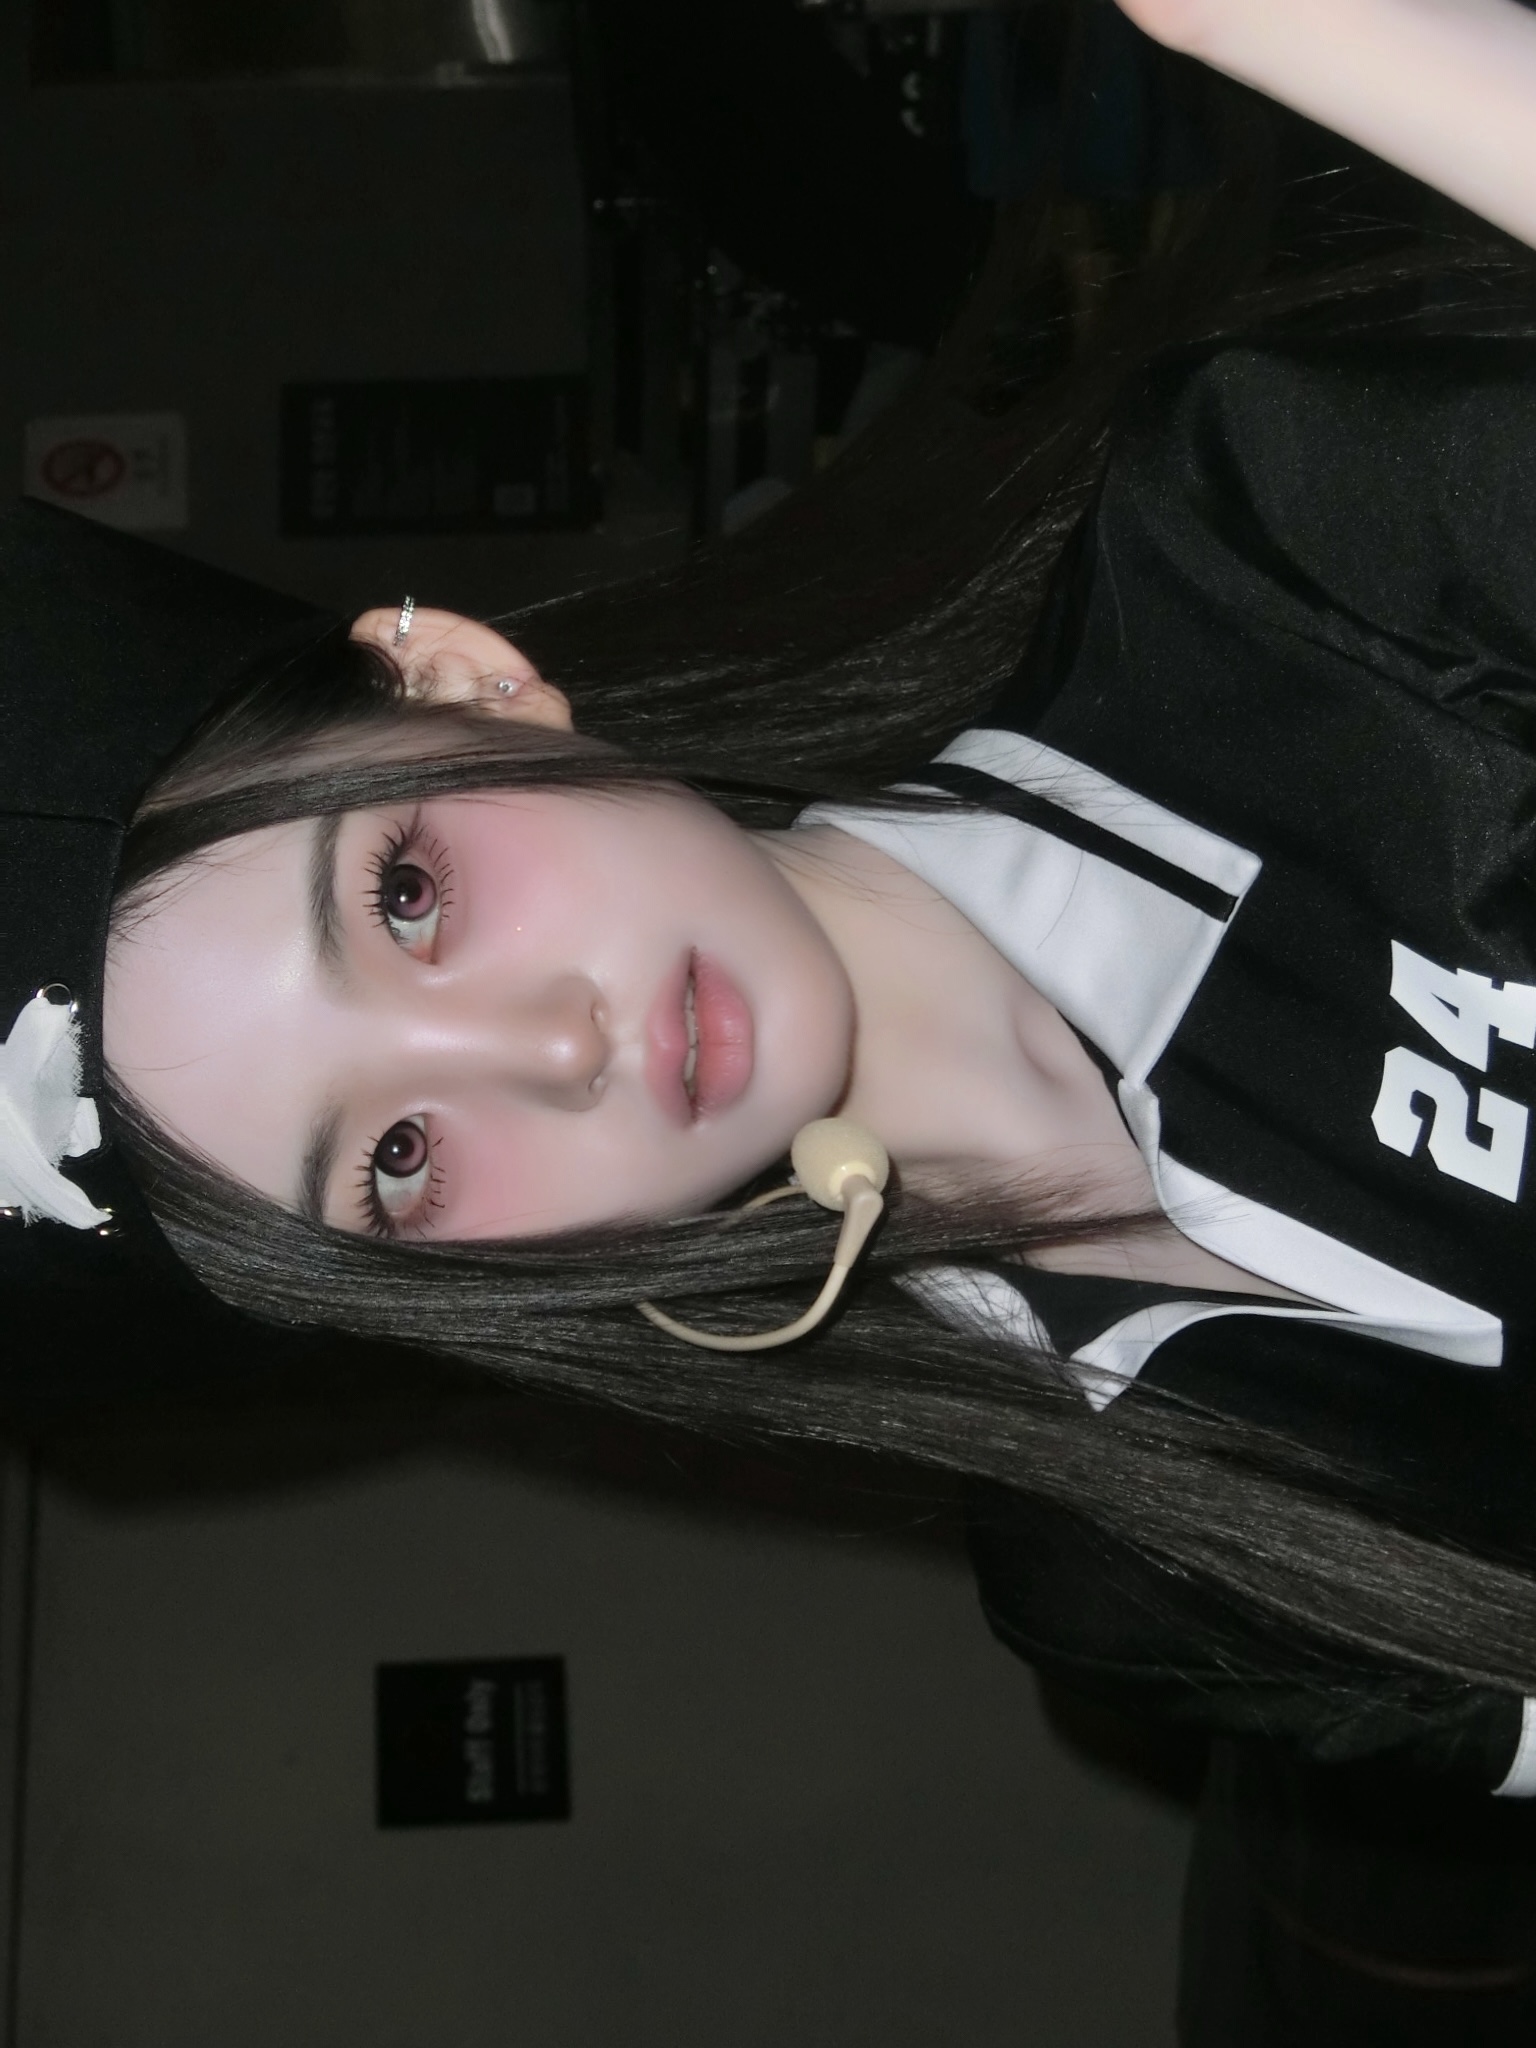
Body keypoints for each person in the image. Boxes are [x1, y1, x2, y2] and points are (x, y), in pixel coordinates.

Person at [8, 0, 1536, 1995]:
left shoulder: (1278, 560)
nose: (548, 1050)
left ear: (463, 685)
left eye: (406, 894)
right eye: (394, 1157)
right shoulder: (1130, 1565)